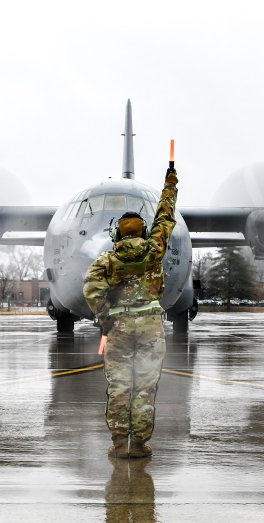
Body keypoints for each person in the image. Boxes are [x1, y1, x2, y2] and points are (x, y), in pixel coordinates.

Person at [83, 165, 178, 458]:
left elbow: (91, 288)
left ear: (117, 235)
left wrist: (105, 319)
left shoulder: (107, 260)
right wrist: (170, 182)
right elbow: (165, 214)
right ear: (144, 231)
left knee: (120, 385)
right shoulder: (155, 249)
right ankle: (138, 444)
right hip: (150, 325)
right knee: (145, 386)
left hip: (119, 326)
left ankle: (119, 443)